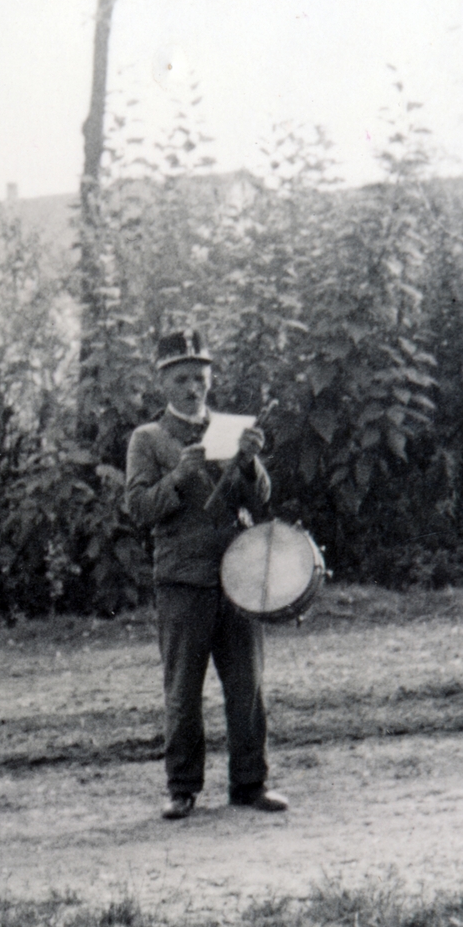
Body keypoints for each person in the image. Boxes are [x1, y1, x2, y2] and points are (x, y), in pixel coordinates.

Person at [125, 329, 288, 820]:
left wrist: (250, 462)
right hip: (182, 581)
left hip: (237, 576)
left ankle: (250, 784)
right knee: (183, 691)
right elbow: (139, 508)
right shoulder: (148, 439)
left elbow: (259, 500)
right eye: (181, 378)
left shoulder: (230, 430)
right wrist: (178, 476)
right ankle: (182, 788)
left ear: (210, 379)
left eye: (200, 377)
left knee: (248, 687)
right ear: (162, 383)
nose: (192, 388)